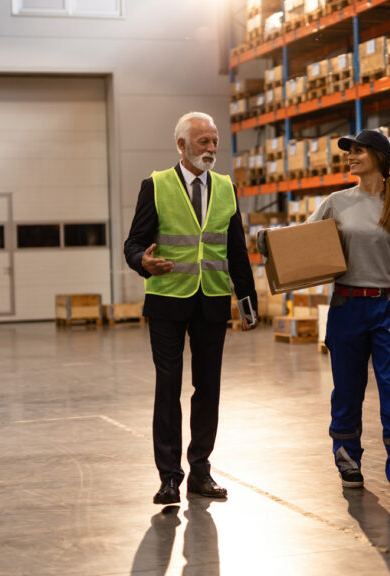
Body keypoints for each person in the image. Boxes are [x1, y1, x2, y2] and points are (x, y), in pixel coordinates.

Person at [124, 111, 258, 505]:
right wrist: (142, 262)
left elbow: (236, 251)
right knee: (168, 388)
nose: (212, 149)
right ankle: (169, 477)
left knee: (208, 388)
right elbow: (134, 242)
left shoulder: (226, 187)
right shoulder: (156, 185)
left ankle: (200, 470)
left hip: (212, 301)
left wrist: (247, 303)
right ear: (181, 145)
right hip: (167, 300)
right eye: (203, 142)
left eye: (215, 141)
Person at [306, 129, 390, 502]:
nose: (351, 157)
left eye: (358, 151)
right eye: (350, 152)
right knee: (347, 390)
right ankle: (348, 460)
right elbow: (304, 243)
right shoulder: (335, 202)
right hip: (346, 306)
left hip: (389, 308)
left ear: (378, 156)